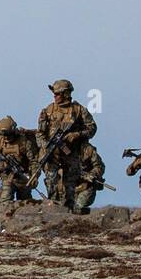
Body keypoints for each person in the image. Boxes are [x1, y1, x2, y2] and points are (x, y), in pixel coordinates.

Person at [36, 79, 97, 212]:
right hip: (52, 154)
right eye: (54, 94)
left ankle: (70, 214)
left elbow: (92, 128)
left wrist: (77, 135)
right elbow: (39, 133)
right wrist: (45, 145)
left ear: (66, 94)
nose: (55, 96)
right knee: (51, 184)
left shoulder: (79, 110)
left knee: (70, 186)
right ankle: (53, 210)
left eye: (58, 93)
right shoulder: (48, 110)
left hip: (71, 154)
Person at [0, 115, 38, 209]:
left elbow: (34, 161)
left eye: (8, 134)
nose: (6, 137)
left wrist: (34, 176)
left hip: (23, 178)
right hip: (7, 177)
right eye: (3, 135)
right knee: (4, 202)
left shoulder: (24, 142)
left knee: (26, 204)